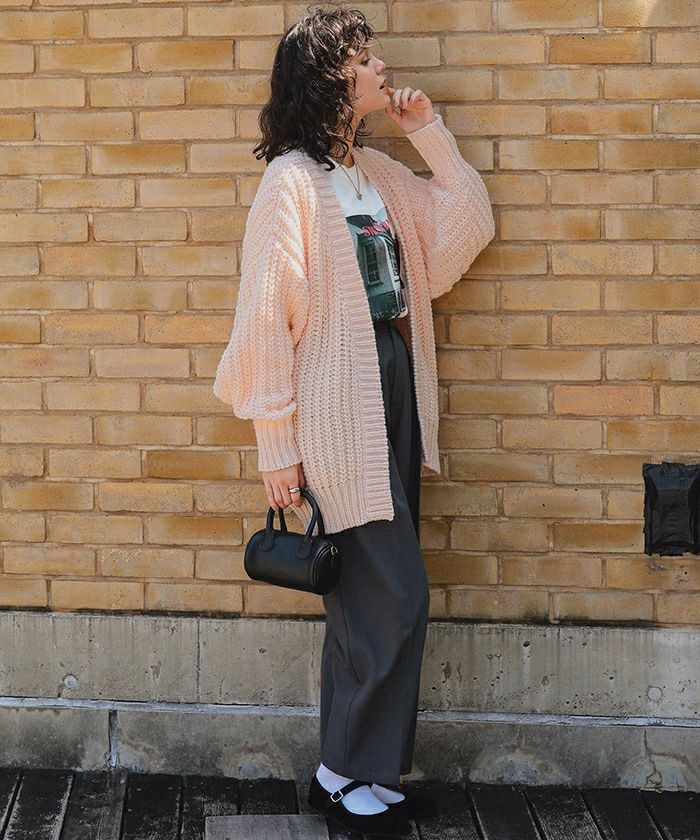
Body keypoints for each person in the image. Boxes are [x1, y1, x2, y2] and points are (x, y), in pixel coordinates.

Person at [212, 2, 495, 834]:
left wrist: (427, 132)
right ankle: (346, 775)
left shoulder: (373, 171)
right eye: (364, 58)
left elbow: (467, 231)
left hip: (392, 382)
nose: (379, 67)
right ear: (330, 76)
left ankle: (346, 773)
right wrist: (276, 446)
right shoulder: (291, 183)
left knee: (367, 600)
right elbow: (265, 317)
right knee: (393, 596)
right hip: (337, 404)